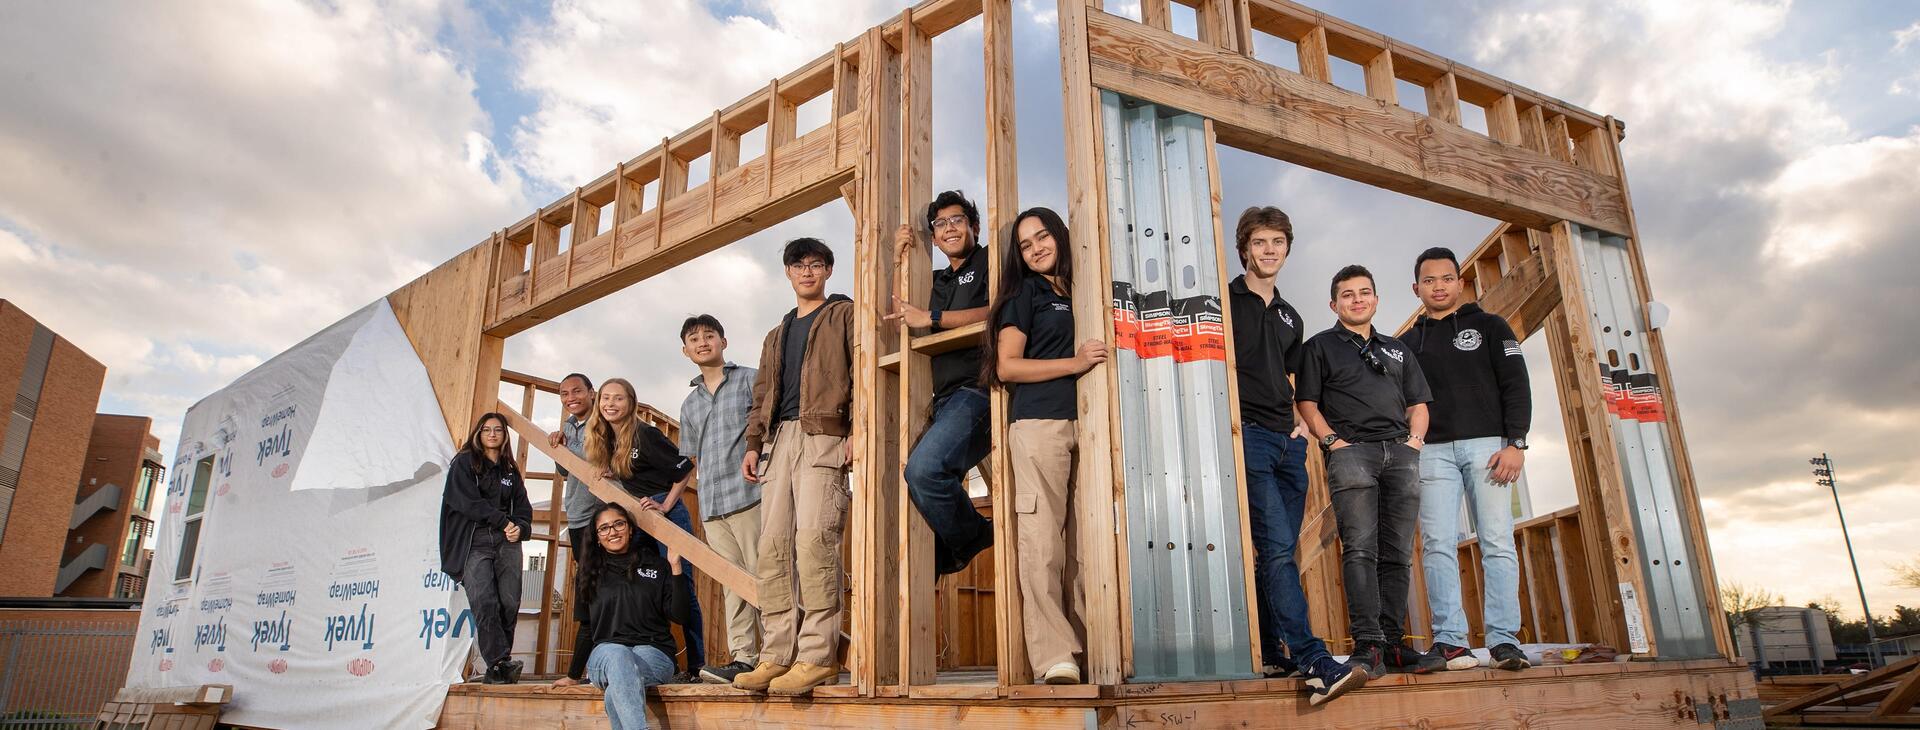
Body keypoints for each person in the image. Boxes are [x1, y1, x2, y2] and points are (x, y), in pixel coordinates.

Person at [1225, 207, 1363, 705]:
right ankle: (1314, 661)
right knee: (1278, 549)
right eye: (1260, 242)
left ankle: (1269, 651)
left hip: (1287, 443)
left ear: (1286, 248)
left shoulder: (1291, 316)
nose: (1269, 250)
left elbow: (1291, 376)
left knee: (1275, 552)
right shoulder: (1225, 300)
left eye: (1278, 242)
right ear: (1244, 248)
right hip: (1248, 438)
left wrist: (1302, 428)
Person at [1296, 265, 1443, 678]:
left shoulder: (1397, 350)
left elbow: (1418, 404)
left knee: (1397, 554)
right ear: (1334, 304)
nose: (1357, 300)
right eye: (1347, 294)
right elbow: (1307, 402)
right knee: (1360, 549)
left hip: (1400, 454)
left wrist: (1414, 444)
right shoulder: (1319, 347)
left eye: (1364, 293)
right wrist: (1333, 442)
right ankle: (1368, 645)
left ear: (1376, 299)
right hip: (1352, 454)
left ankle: (1393, 644)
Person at [981, 207, 1104, 685]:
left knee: (1087, 546)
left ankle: (1091, 651)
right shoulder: (1023, 294)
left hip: (1087, 426)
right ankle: (1055, 657)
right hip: (1038, 426)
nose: (1036, 248)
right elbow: (1007, 366)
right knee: (1042, 543)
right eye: (1025, 244)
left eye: (1042, 236)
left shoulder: (1082, 290)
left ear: (1060, 235)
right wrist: (1074, 363)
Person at [731, 237, 857, 696]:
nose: (807, 272)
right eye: (799, 265)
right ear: (788, 273)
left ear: (828, 270)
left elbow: (862, 373)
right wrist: (753, 444)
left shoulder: (844, 314)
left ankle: (817, 657)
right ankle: (777, 655)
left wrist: (858, 428)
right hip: (778, 439)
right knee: (773, 549)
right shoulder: (776, 333)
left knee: (815, 542)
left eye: (816, 264)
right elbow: (762, 394)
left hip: (823, 435)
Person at [1406, 247, 1534, 672]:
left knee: (1496, 541)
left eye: (1446, 279)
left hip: (1489, 448)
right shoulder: (1407, 344)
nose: (1439, 287)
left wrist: (1516, 443)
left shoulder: (1491, 327)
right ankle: (1450, 641)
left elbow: (1516, 383)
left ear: (1460, 284)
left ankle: (1504, 641)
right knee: (1437, 545)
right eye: (1429, 280)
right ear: (1416, 288)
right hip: (1432, 454)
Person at [889, 190, 995, 575]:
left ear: (974, 227)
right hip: (942, 399)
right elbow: (897, 315)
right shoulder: (934, 281)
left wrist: (933, 317)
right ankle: (945, 556)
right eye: (940, 224)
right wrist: (897, 259)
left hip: (979, 390)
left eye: (957, 220)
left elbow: (1000, 309)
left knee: (924, 470)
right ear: (933, 238)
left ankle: (975, 536)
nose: (950, 228)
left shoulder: (989, 260)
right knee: (912, 490)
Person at [584, 378, 706, 683]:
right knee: (637, 581)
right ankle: (633, 655)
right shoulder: (607, 438)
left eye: (618, 398)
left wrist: (665, 505)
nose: (611, 404)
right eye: (605, 398)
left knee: (681, 585)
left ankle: (696, 667)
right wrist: (614, 474)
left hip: (666, 514)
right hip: (638, 517)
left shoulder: (646, 434)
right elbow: (640, 473)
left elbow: (684, 468)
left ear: (631, 403)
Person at [675, 314, 763, 684]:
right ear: (686, 351)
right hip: (712, 506)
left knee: (766, 577)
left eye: (709, 336)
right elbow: (689, 461)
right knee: (732, 584)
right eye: (694, 339)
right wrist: (666, 502)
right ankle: (744, 658)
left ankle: (780, 656)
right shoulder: (689, 404)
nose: (702, 343)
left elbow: (768, 427)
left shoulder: (750, 379)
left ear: (723, 342)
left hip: (752, 494)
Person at [551, 503, 693, 730]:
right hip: (606, 654)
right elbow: (587, 627)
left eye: (619, 524)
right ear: (597, 537)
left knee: (616, 689)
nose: (613, 532)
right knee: (618, 654)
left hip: (655, 653)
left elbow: (681, 616)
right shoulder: (588, 572)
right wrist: (573, 675)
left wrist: (676, 567)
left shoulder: (657, 565)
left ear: (630, 529)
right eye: (604, 528)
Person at [437, 412, 533, 684]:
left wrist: (520, 528)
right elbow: (467, 502)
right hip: (474, 540)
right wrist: (503, 521)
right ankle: (499, 663)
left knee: (509, 601)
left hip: (507, 541)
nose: (492, 434)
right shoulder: (464, 462)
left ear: (505, 436)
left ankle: (500, 665)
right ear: (478, 434)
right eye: (486, 429)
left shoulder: (510, 471)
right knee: (484, 600)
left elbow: (524, 509)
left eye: (498, 430)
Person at [547, 373, 601, 561]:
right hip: (577, 513)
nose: (570, 398)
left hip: (602, 514)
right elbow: (564, 472)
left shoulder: (605, 422)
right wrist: (559, 450)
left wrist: (569, 448)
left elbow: (599, 461)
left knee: (607, 573)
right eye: (564, 394)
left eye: (577, 391)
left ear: (591, 393)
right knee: (586, 572)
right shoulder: (568, 426)